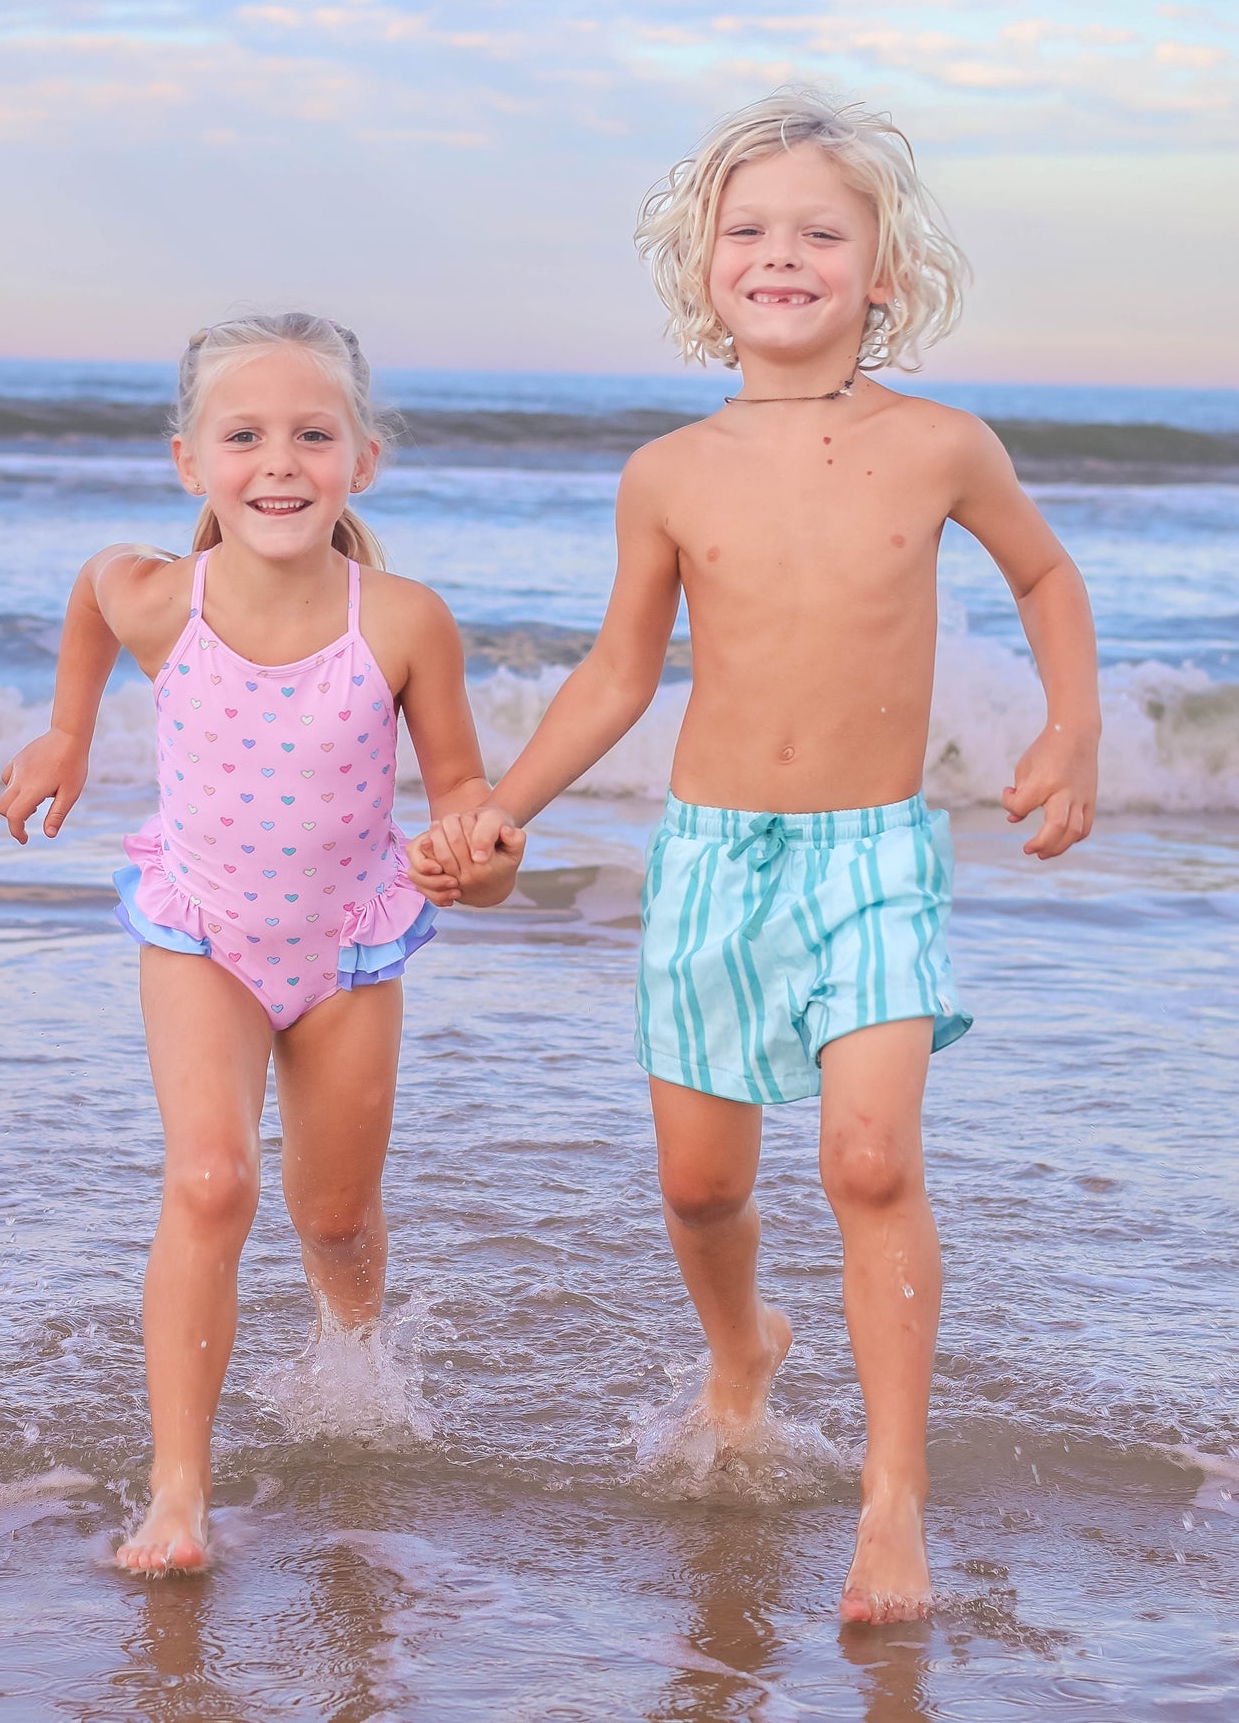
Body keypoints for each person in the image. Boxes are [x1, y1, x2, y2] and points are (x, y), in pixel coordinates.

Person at [409, 88, 1100, 1624]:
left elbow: (1047, 575)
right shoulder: (668, 471)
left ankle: (891, 1499)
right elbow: (617, 674)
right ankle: (744, 1349)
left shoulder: (941, 445)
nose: (780, 254)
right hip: (712, 858)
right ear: (702, 266)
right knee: (700, 1187)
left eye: (819, 233)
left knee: (870, 1162)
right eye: (748, 231)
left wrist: (1072, 731)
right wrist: (502, 805)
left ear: (883, 273)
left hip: (875, 857)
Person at [0, 312, 522, 1575]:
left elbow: (461, 791)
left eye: (311, 434)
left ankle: (353, 1360)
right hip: (203, 934)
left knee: (332, 1217)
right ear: (190, 460)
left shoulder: (403, 620)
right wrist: (68, 729)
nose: (278, 461)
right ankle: (177, 1492)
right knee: (211, 1181)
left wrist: (482, 854)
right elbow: (92, 587)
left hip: (345, 950)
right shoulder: (157, 599)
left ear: (363, 459)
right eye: (243, 436)